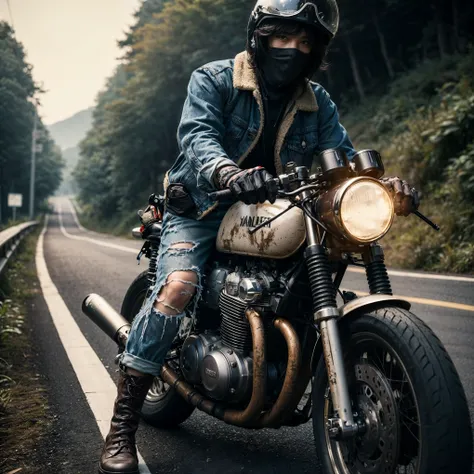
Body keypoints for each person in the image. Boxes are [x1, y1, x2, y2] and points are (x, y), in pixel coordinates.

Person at [98, 1, 419, 472]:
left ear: (317, 49)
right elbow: (198, 135)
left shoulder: (317, 102)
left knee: (315, 276)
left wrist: (383, 186)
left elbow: (343, 159)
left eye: (305, 41)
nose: (293, 49)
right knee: (179, 286)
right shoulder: (214, 78)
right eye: (283, 37)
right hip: (205, 206)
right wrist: (227, 170)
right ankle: (122, 426)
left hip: (279, 206)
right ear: (260, 35)